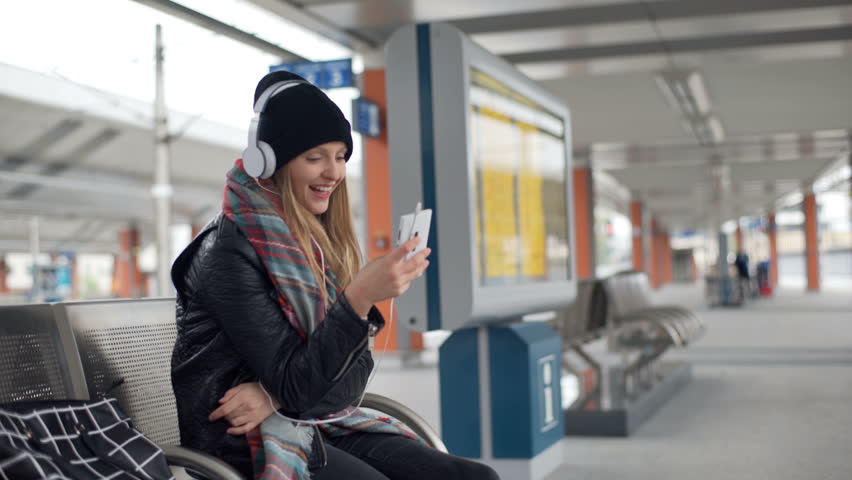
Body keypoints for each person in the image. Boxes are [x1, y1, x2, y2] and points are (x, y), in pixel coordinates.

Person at [170, 71, 499, 480]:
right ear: (269, 162)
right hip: (241, 441)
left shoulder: (310, 242)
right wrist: (358, 299)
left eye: (341, 156)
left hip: (309, 419)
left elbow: (344, 389)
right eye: (315, 157)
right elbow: (302, 386)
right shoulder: (227, 252)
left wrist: (273, 395)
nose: (334, 172)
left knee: (474, 477)